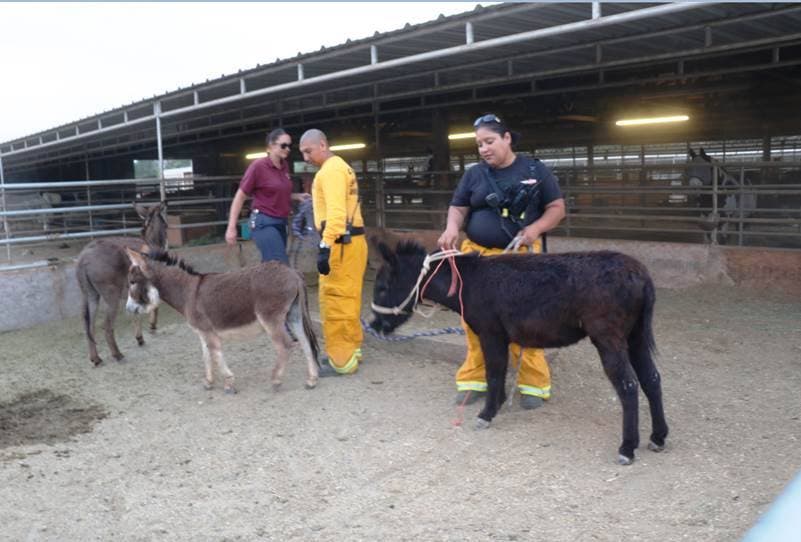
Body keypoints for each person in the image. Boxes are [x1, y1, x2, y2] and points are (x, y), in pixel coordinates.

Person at [437, 113, 566, 410]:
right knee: (475, 322)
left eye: (489, 141)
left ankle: (533, 384)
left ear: (507, 138)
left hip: (519, 260)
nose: (483, 148)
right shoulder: (474, 174)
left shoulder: (535, 169)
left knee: (527, 321)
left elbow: (557, 208)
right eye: (479, 144)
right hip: (478, 258)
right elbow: (458, 206)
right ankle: (475, 380)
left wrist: (534, 229)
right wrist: (451, 228)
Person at [299, 129, 368, 377]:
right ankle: (352, 349)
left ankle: (341, 360)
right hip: (352, 242)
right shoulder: (341, 168)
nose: (306, 158)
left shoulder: (330, 172)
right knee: (349, 297)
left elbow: (337, 215)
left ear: (323, 144)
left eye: (308, 151)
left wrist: (325, 246)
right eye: (303, 153)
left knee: (335, 300)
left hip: (340, 243)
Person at [225, 128, 310, 264]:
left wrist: (297, 196)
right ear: (271, 146)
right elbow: (240, 197)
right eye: (283, 145)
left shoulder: (284, 166)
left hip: (280, 222)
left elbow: (277, 192)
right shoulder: (258, 166)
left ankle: (263, 285)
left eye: (289, 146)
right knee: (280, 265)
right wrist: (231, 227)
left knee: (272, 265)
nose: (287, 149)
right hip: (264, 222)